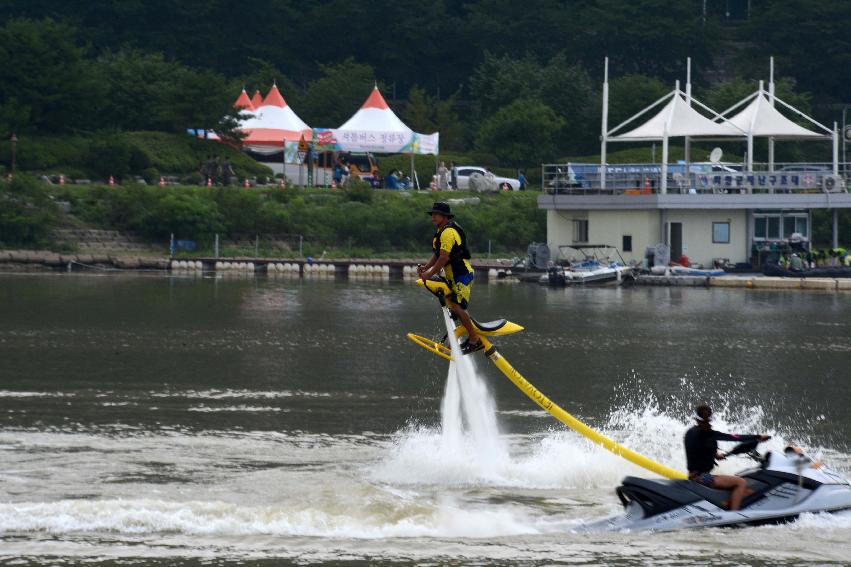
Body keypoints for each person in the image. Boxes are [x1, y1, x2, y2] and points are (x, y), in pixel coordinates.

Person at [417, 202, 481, 354]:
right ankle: (469, 334)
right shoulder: (440, 231)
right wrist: (426, 267)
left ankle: (474, 339)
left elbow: (444, 258)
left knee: (458, 306)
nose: (433, 216)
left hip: (462, 276)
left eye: (436, 214)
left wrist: (429, 273)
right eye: (432, 214)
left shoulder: (447, 232)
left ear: (445, 217)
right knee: (453, 304)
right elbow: (437, 254)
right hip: (455, 276)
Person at [684, 405, 771, 511]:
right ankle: (734, 515)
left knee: (734, 478)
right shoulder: (708, 434)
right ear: (710, 419)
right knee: (741, 482)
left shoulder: (690, 433)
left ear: (696, 419)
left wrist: (715, 455)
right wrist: (758, 437)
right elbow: (734, 437)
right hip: (702, 479)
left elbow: (697, 450)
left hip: (693, 476)